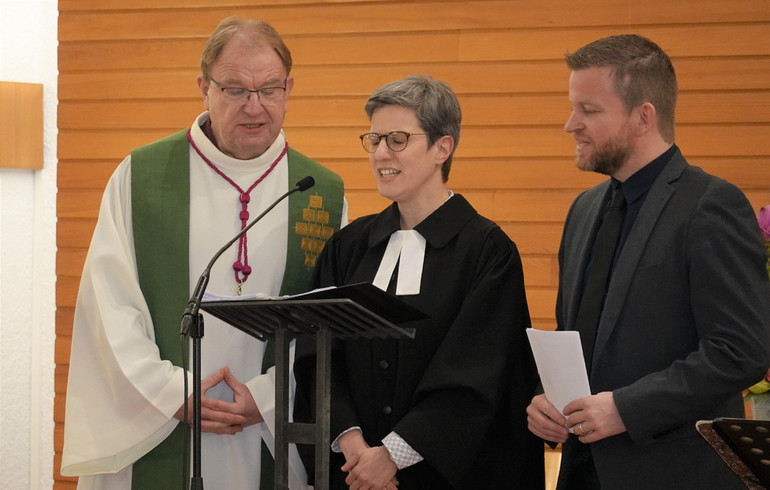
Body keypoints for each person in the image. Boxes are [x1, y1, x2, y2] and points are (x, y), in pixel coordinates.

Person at [60, 16, 346, 490]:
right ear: (204, 87)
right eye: (235, 89)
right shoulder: (141, 177)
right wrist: (172, 393)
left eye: (270, 89)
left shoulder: (321, 194)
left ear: (290, 89)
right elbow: (107, 307)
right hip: (158, 421)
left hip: (270, 428)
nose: (254, 107)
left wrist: (268, 397)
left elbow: (332, 325)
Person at [526, 34, 770, 489]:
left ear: (644, 117)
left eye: (589, 110)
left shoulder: (711, 205)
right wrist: (547, 397)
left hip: (672, 473)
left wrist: (625, 408)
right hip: (581, 473)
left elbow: (741, 352)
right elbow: (578, 337)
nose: (570, 124)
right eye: (572, 107)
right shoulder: (582, 210)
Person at [294, 75, 544, 489]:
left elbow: (475, 374)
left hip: (446, 475)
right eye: (373, 140)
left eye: (396, 139)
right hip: (352, 473)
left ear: (442, 148)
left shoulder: (488, 252)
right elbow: (317, 355)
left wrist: (391, 456)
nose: (379, 154)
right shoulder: (348, 247)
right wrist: (353, 444)